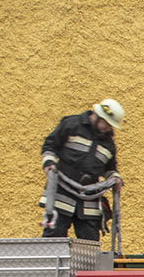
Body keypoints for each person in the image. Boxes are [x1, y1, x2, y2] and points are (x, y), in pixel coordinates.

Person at [40, 99, 125, 241]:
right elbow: (49, 146)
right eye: (108, 124)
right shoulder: (71, 125)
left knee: (90, 243)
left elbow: (109, 168)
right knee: (53, 240)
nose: (110, 129)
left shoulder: (108, 144)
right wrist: (49, 163)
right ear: (99, 117)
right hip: (62, 192)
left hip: (89, 199)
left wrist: (115, 179)